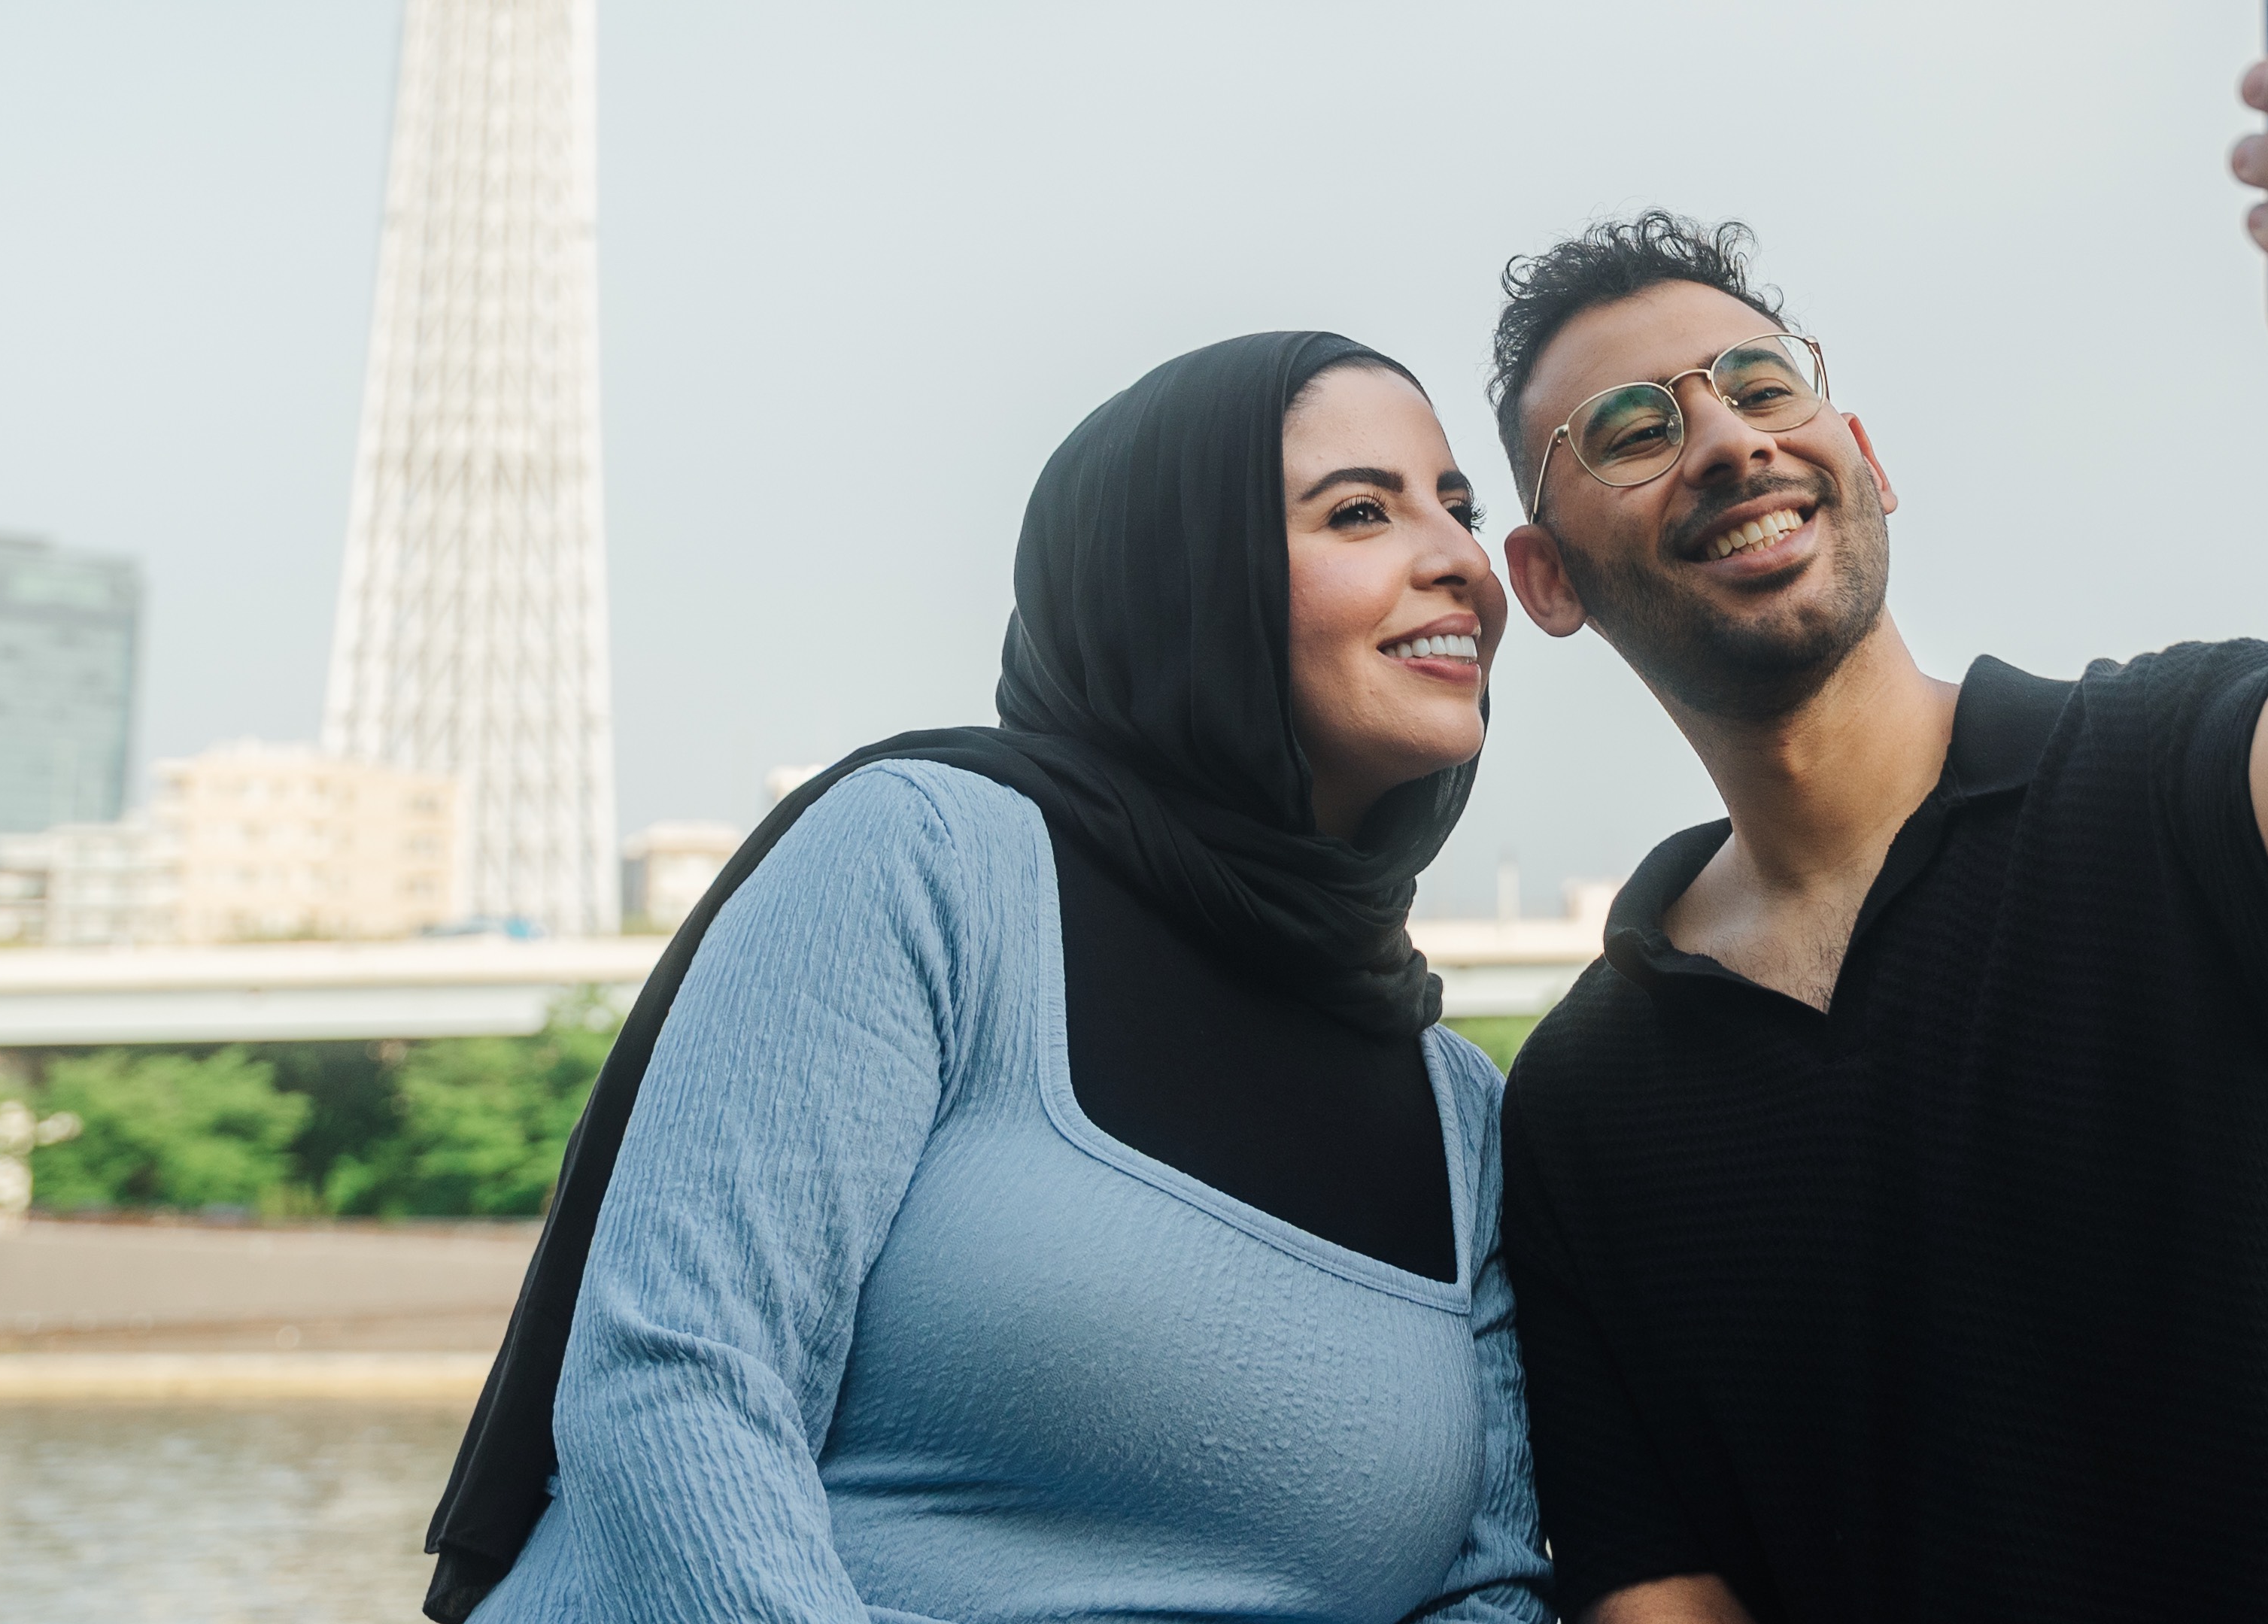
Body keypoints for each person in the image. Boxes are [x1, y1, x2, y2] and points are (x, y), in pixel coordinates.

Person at [1490, 0, 2268, 1620]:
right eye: (1630, 426)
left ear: (1864, 459)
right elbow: (1661, 1582)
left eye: (1765, 386)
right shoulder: (1590, 1096)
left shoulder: (2171, 777)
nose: (1732, 440)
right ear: (1546, 578)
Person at [422, 329, 1552, 1624]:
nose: (1462, 559)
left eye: (1459, 510)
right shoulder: (929, 859)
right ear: (1174, 577)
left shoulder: (1458, 1114)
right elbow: (676, 1387)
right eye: (1361, 510)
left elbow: (1496, 1584)